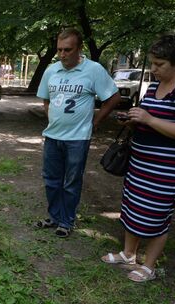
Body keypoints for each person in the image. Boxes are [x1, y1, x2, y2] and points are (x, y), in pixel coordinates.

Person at [100, 35, 175, 282]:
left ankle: (149, 265)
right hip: (139, 162)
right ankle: (128, 254)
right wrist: (134, 120)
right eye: (153, 63)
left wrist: (149, 120)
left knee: (156, 213)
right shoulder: (155, 86)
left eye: (160, 64)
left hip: (165, 168)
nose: (154, 69)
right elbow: (150, 119)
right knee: (133, 207)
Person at [35, 28, 121, 238]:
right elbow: (46, 99)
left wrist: (96, 120)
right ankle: (54, 217)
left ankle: (67, 221)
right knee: (51, 179)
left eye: (67, 50)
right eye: (59, 50)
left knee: (71, 181)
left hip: (78, 138)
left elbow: (113, 97)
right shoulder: (51, 71)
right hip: (53, 136)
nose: (62, 55)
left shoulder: (93, 70)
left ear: (79, 49)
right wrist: (52, 118)